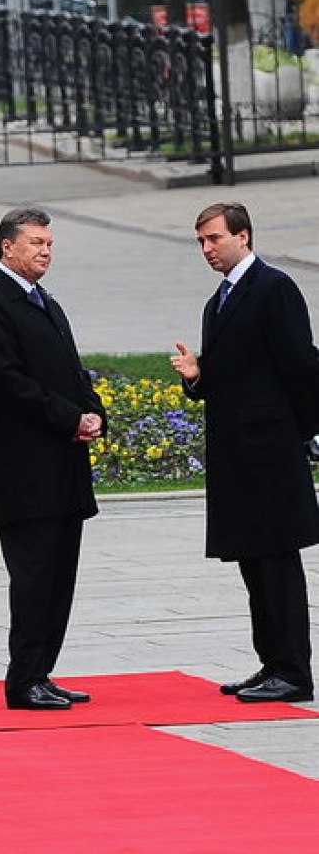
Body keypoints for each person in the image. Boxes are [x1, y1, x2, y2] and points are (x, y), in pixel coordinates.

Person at [170, 202, 317, 704]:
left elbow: (300, 364)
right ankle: (271, 662)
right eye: (201, 242)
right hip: (237, 456)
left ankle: (294, 671)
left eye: (214, 238)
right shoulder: (220, 301)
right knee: (254, 564)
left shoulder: (273, 288)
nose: (207, 249)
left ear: (243, 236)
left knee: (277, 562)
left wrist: (307, 433)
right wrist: (198, 376)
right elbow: (238, 372)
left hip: (270, 452)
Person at [0, 207, 106, 710]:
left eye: (49, 244)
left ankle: (42, 672)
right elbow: (8, 384)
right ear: (8, 247)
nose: (45, 251)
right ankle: (23, 680)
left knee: (59, 577)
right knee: (33, 578)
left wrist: (92, 411)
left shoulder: (45, 301)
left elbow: (71, 371)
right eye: (36, 243)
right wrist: (71, 418)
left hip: (62, 469)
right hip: (25, 472)